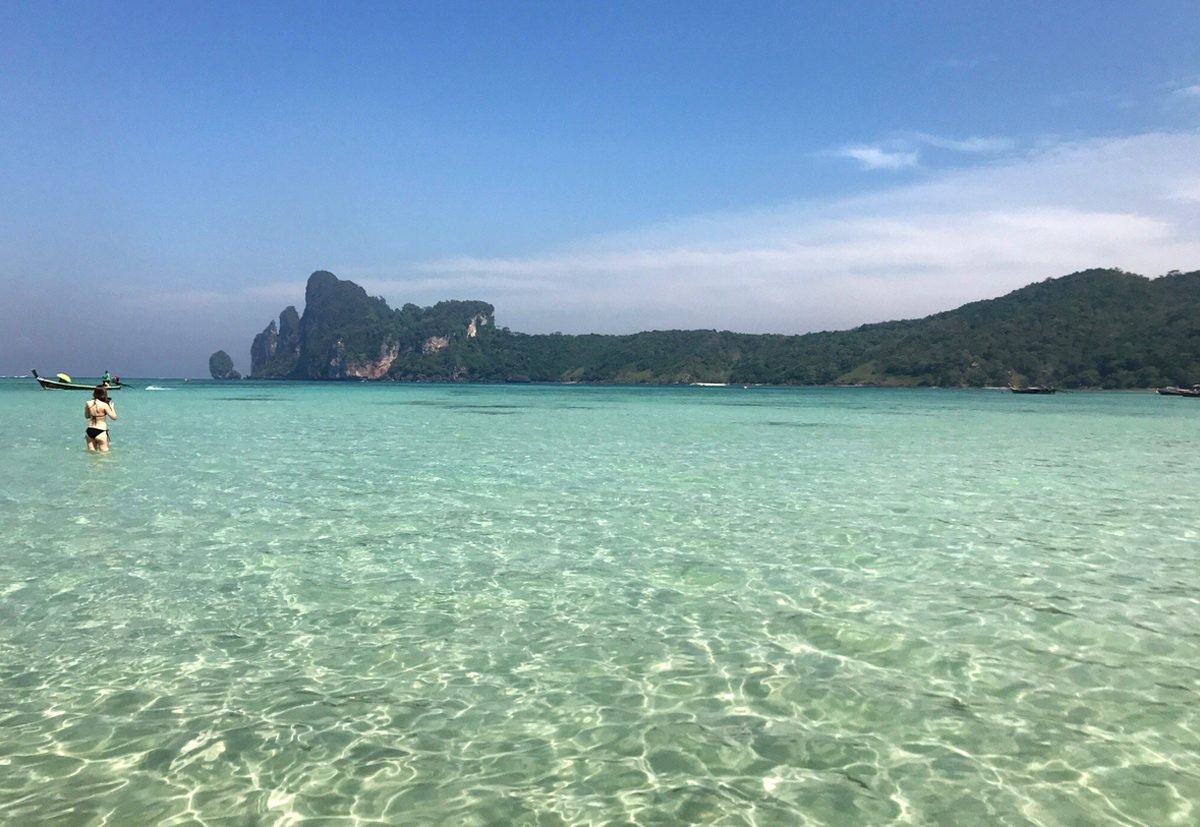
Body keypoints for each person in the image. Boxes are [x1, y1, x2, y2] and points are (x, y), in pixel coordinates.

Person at [84, 387, 117, 452]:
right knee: (104, 455)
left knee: (91, 454)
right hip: (101, 431)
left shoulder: (88, 403)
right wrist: (112, 408)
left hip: (90, 430)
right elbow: (114, 417)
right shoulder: (104, 405)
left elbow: (87, 416)